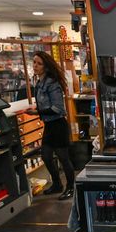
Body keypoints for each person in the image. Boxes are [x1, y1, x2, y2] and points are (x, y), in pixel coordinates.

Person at [27, 51, 75, 201]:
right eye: (34, 62)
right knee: (46, 156)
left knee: (63, 158)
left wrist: (37, 112)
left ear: (46, 67)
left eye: (39, 63)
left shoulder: (52, 84)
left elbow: (59, 109)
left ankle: (71, 188)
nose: (35, 66)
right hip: (49, 125)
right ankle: (57, 184)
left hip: (58, 125)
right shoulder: (39, 83)